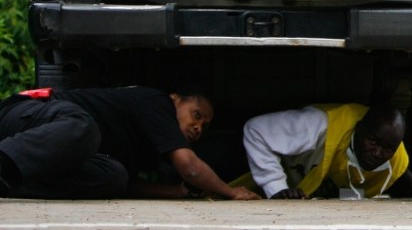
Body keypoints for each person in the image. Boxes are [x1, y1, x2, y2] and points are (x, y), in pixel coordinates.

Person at [0, 85, 260, 200]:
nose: (198, 127)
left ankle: (16, 183)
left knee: (114, 176)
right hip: (30, 116)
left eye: (204, 126)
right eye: (196, 115)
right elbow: (189, 167)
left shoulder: (149, 145)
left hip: (54, 153)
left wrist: (178, 192)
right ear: (175, 98)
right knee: (84, 127)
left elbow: (130, 186)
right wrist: (231, 192)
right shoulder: (156, 102)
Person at [239, 103, 412, 201]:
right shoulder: (319, 125)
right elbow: (255, 129)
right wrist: (276, 187)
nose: (378, 153)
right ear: (358, 128)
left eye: (388, 148)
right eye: (373, 141)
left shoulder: (395, 156)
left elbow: (398, 177)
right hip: (243, 169)